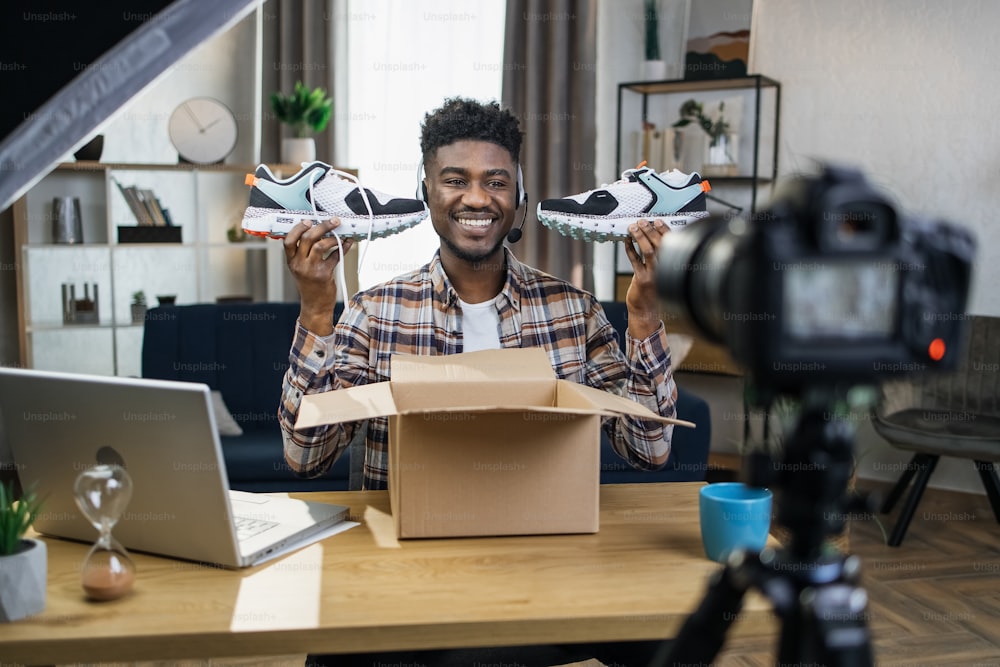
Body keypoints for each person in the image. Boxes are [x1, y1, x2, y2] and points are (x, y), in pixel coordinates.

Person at [277, 97, 678, 666]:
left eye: (496, 180)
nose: (476, 198)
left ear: (518, 196)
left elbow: (651, 448)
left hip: (547, 570)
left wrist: (644, 316)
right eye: (454, 180)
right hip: (407, 574)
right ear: (426, 192)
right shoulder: (375, 312)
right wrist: (318, 311)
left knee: (669, 634)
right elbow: (303, 457)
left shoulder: (573, 310)